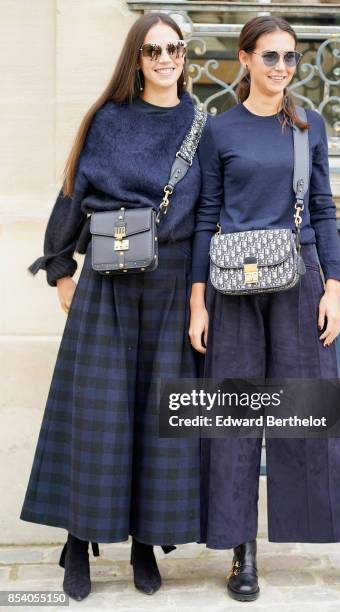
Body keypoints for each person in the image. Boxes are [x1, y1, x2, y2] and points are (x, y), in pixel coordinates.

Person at [189, 15, 340, 602]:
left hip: (299, 280)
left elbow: (324, 208)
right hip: (233, 286)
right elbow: (205, 217)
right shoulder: (218, 131)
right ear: (244, 59)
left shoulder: (308, 125)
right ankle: (242, 556)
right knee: (237, 421)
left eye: (290, 58)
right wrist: (198, 301)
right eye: (269, 57)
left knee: (313, 416)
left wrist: (334, 288)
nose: (281, 68)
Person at [21, 12, 205, 601]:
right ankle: (78, 542)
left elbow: (210, 213)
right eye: (152, 50)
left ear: (185, 55)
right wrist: (59, 269)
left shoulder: (202, 123)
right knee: (97, 420)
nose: (164, 58)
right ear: (136, 58)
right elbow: (74, 190)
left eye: (173, 48)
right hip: (109, 277)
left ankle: (145, 545)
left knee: (156, 420)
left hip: (173, 282)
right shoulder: (108, 120)